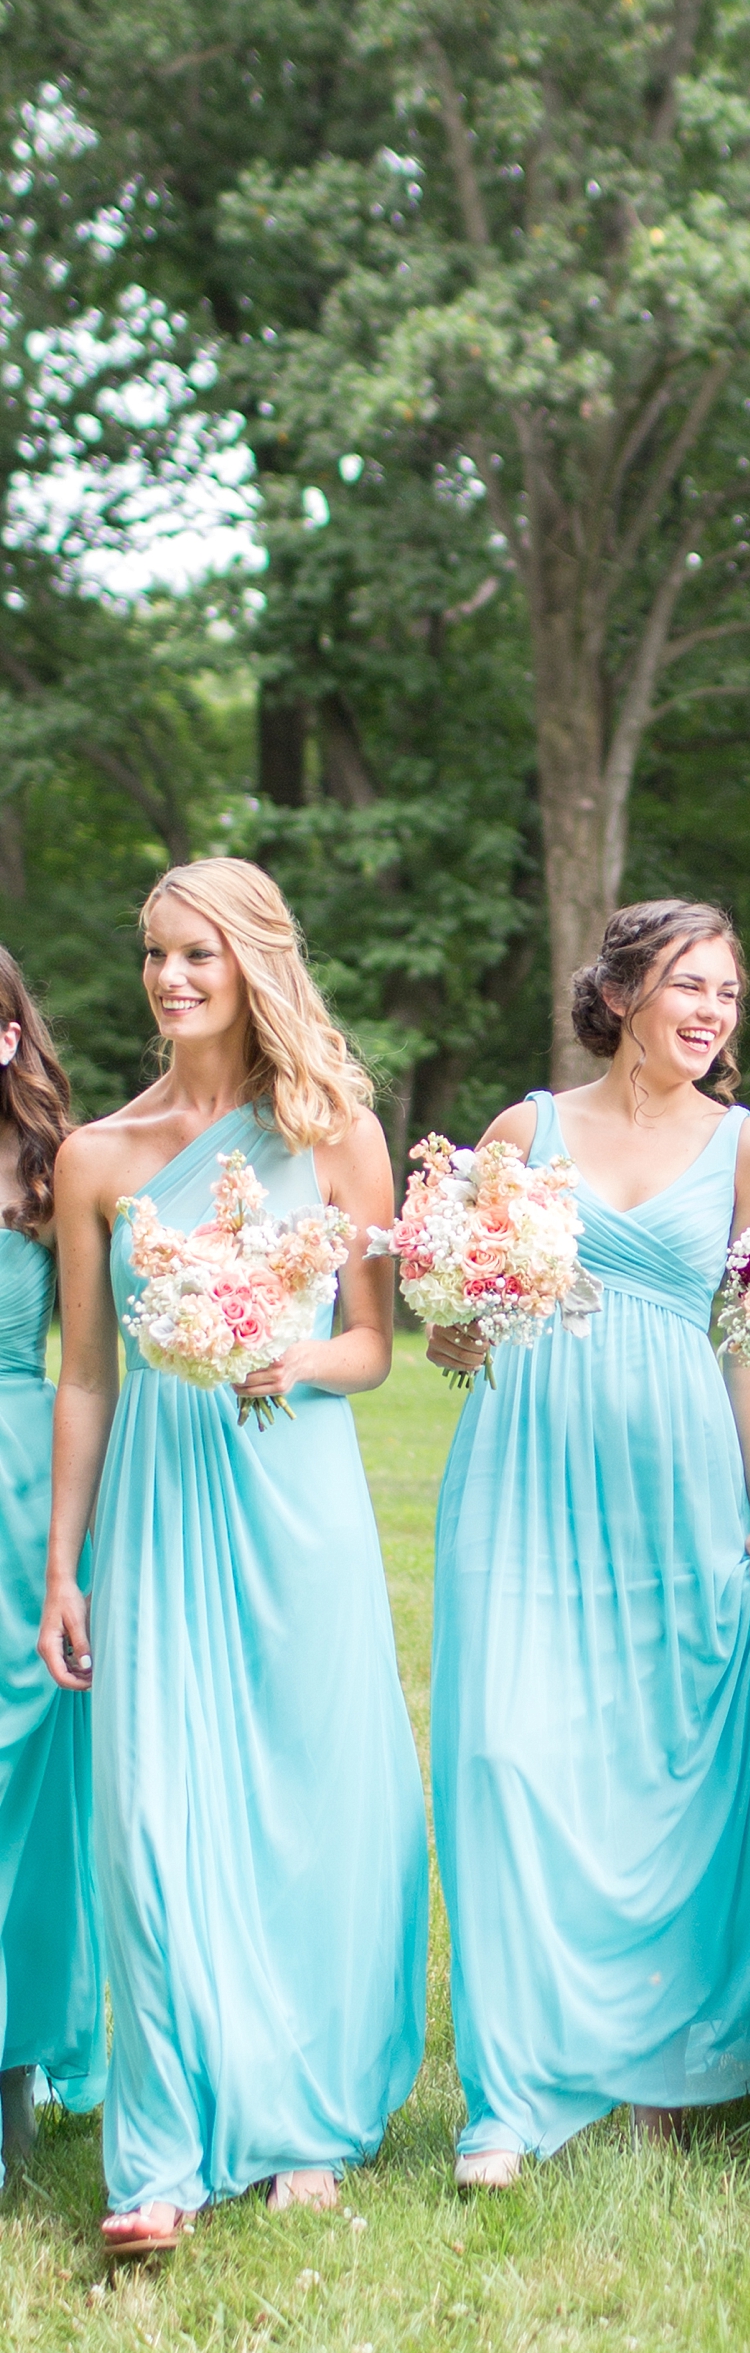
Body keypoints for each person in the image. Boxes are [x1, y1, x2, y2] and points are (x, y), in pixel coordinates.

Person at [40, 860, 427, 2257]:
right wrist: (64, 1565)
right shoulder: (97, 1158)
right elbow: (87, 1377)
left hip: (294, 1493)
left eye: (197, 952)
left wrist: (289, 1354)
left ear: (253, 961)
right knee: (152, 1816)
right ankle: (156, 2157)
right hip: (156, 1505)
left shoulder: (335, 1134)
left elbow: (375, 1344)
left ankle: (300, 2119)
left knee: (305, 1799)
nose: (170, 978)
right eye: (154, 954)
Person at [428, 901, 750, 2187]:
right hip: (526, 1467)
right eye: (688, 986)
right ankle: (509, 2094)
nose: (710, 1013)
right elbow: (449, 1323)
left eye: (729, 996)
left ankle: (660, 2068)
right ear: (624, 992)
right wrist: (456, 1320)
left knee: (659, 1770)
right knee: (506, 1753)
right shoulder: (525, 1131)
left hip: (675, 1478)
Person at [0, 950, 103, 2179]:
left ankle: (12, 2071)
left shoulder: (50, 1168)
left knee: (22, 1774)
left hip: (18, 1486)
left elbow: (93, 1362)